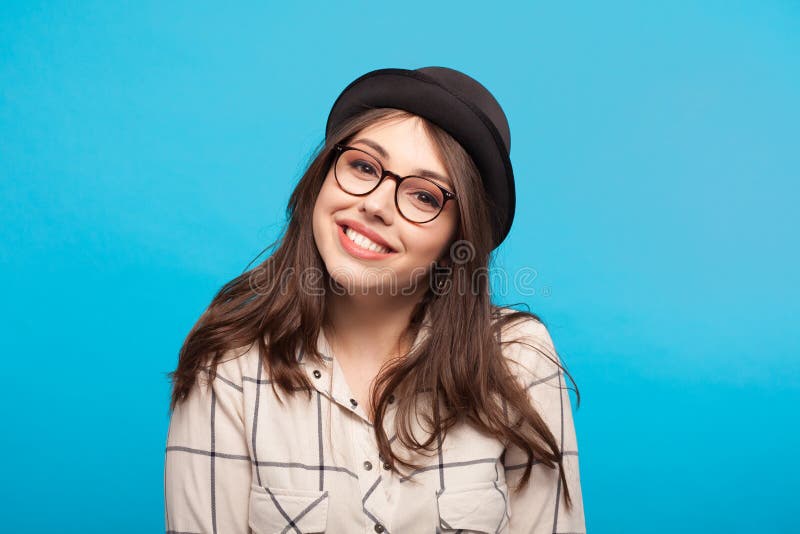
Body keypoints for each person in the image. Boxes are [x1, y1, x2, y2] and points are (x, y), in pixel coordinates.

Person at [164, 66, 585, 534]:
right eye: (363, 166)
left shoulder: (518, 360)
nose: (377, 205)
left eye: (424, 196)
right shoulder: (230, 361)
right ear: (323, 177)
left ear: (456, 239)